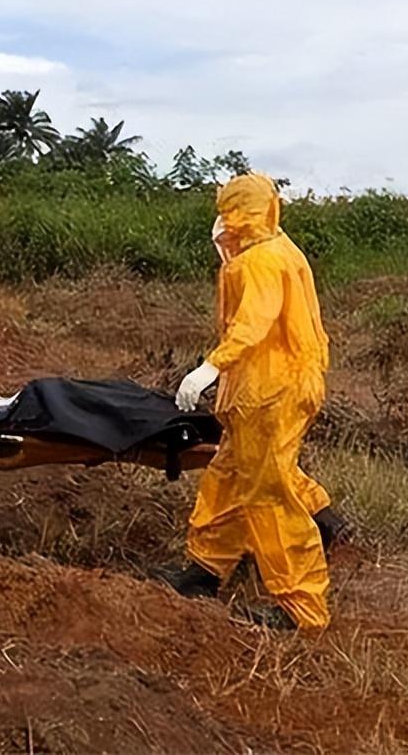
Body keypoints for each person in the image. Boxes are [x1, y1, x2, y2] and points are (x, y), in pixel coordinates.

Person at [160, 172, 337, 630]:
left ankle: (301, 608)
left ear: (241, 213)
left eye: (227, 211)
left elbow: (252, 325)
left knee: (268, 493)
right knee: (227, 478)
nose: (221, 222)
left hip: (270, 392)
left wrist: (210, 367)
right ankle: (204, 571)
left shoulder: (259, 261)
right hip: (272, 388)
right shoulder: (283, 251)